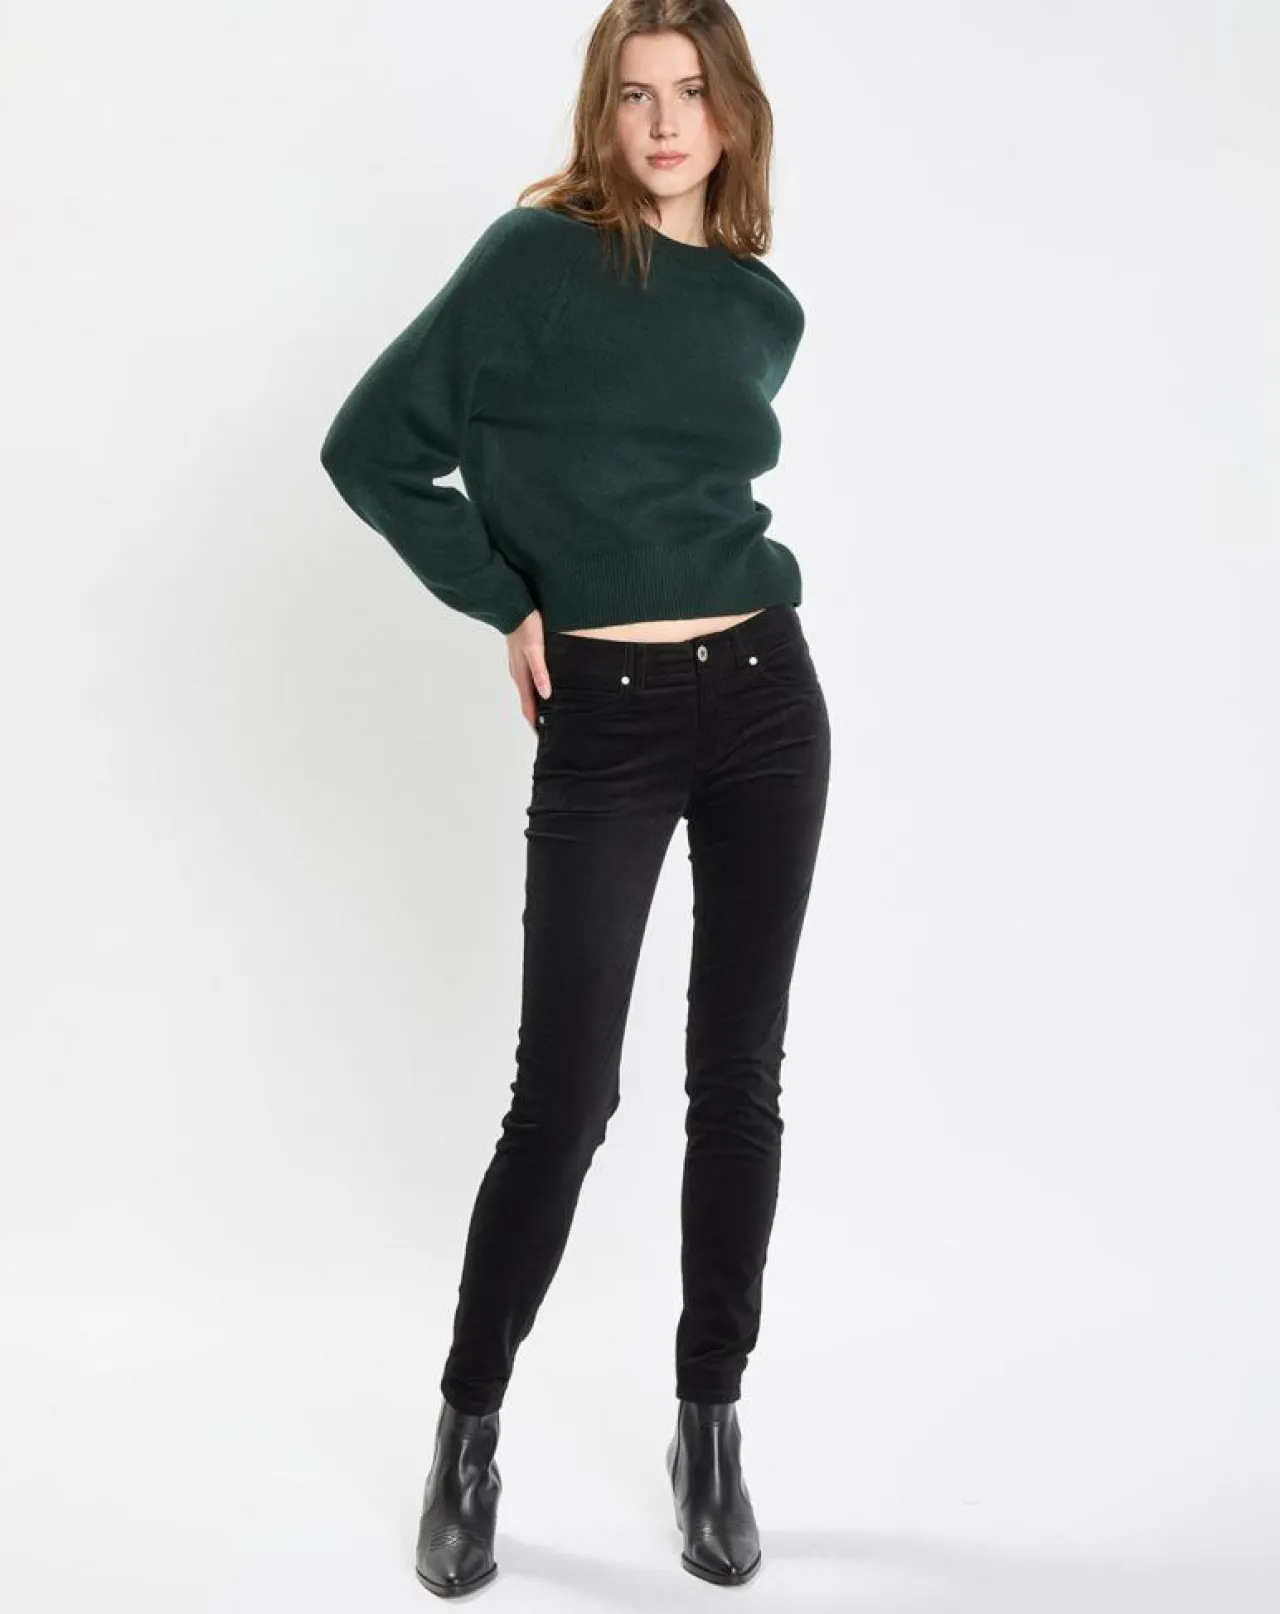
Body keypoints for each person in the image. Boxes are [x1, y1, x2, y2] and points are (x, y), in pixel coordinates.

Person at [319, 3, 829, 1595]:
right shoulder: (537, 260)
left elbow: (695, 495)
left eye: (692, 93)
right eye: (635, 95)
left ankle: (711, 1421)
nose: (665, 124)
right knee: (566, 1096)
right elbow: (371, 448)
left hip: (768, 698)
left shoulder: (760, 305)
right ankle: (467, 1429)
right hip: (604, 714)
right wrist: (509, 599)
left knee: (737, 1081)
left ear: (733, 112)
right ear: (603, 114)